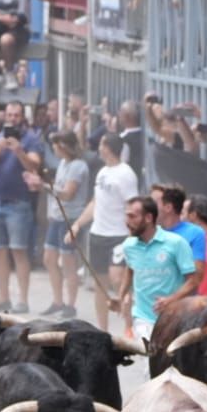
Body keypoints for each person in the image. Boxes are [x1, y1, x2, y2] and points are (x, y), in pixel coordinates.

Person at [68, 132, 139, 334]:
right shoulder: (102, 172)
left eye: (101, 144)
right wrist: (78, 224)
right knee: (99, 283)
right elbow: (95, 203)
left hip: (119, 235)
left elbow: (132, 206)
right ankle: (103, 331)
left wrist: (133, 235)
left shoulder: (126, 173)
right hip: (98, 234)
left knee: (118, 280)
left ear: (108, 147)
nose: (98, 148)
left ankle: (129, 327)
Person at [0, 100, 43, 312]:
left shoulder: (31, 139)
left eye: (16, 115)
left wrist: (19, 151)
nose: (12, 119)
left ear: (22, 117)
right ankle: (3, 297)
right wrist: (0, 148)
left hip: (20, 202)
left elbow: (34, 165)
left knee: (19, 252)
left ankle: (23, 300)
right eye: (9, 115)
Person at [119, 195, 197, 344]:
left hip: (174, 318)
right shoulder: (129, 246)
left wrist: (171, 300)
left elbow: (193, 281)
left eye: (132, 216)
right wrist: (122, 295)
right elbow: (130, 270)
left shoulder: (176, 243)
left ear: (148, 217)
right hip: (142, 318)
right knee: (151, 361)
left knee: (171, 365)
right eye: (126, 216)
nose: (127, 221)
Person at [42, 130, 88, 318]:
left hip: (70, 216)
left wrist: (45, 186)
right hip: (57, 216)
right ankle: (57, 300)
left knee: (68, 262)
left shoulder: (78, 166)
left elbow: (68, 193)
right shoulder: (63, 164)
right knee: (49, 258)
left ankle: (70, 304)